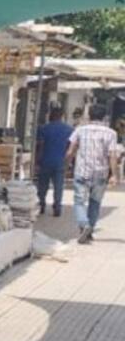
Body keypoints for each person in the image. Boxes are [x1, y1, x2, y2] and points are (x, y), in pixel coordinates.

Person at [67, 102, 118, 244]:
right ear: (104, 117)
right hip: (101, 173)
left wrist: (66, 165)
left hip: (82, 171)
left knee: (79, 201)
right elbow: (112, 155)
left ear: (89, 116)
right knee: (95, 202)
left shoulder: (80, 130)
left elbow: (71, 151)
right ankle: (89, 231)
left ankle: (84, 224)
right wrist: (114, 175)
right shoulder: (111, 133)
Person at [36, 105, 74, 216]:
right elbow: (70, 148)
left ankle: (41, 204)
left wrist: (37, 161)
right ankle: (57, 207)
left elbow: (40, 146)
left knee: (42, 185)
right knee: (58, 186)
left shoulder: (43, 129)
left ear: (51, 115)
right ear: (62, 116)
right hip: (61, 161)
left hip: (45, 160)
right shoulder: (69, 130)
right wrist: (69, 163)